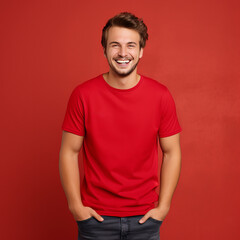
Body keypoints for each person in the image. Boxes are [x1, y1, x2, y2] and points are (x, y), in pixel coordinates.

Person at [59, 12, 182, 240]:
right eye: (115, 45)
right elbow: (69, 151)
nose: (123, 53)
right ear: (104, 49)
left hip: (145, 219)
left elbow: (172, 151)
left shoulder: (161, 96)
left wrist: (163, 207)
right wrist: (76, 207)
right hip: (96, 220)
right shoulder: (83, 95)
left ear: (141, 50)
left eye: (131, 45)